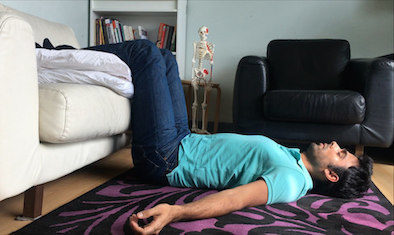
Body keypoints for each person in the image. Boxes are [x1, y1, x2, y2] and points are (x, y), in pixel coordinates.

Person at [86, 40, 373, 235]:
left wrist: (175, 213)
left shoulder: (291, 180)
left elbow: (235, 199)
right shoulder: (294, 160)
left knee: (146, 52)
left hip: (165, 157)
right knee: (165, 58)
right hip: (184, 139)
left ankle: (57, 55)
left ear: (331, 175)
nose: (336, 145)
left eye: (341, 154)